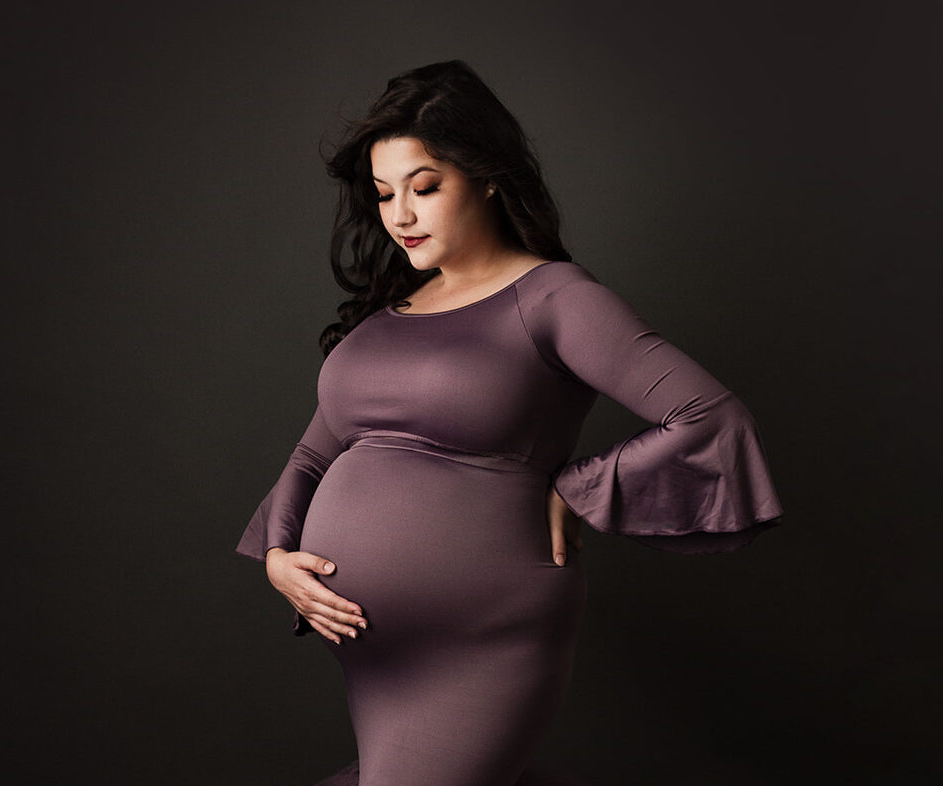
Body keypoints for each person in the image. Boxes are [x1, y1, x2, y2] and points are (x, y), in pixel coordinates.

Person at [236, 60, 783, 786]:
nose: (400, 215)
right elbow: (314, 454)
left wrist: (578, 487)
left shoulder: (553, 298)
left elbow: (709, 417)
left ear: (486, 175)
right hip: (375, 652)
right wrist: (279, 558)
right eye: (383, 193)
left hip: (484, 640)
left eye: (424, 188)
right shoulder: (384, 315)